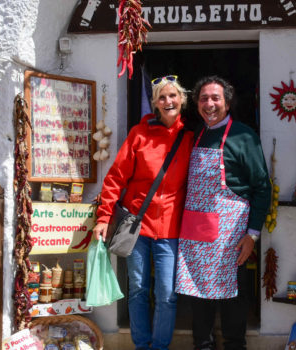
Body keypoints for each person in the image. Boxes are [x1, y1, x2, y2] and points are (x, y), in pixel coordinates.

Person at [93, 75, 194, 350]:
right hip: (136, 227)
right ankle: (141, 345)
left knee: (167, 294)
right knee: (137, 291)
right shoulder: (139, 134)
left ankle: (159, 347)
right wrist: (103, 218)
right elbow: (115, 178)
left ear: (182, 100)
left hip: (171, 230)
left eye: (173, 95)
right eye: (162, 97)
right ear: (155, 104)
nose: (168, 101)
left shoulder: (190, 139)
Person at [175, 76, 271, 350]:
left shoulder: (243, 136)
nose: (209, 104)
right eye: (204, 98)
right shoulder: (195, 135)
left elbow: (262, 188)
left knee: (234, 297)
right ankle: (202, 345)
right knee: (198, 294)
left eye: (215, 98)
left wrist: (252, 234)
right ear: (197, 104)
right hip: (196, 230)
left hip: (231, 234)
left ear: (227, 103)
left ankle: (234, 345)